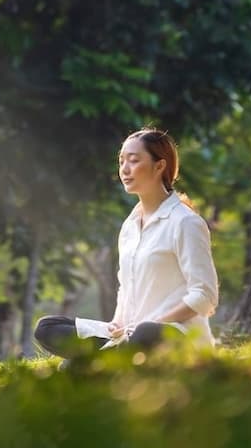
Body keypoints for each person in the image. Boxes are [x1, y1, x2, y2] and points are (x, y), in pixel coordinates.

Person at [33, 128, 219, 360]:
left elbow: (205, 296)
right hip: (129, 334)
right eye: (121, 161)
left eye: (133, 160)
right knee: (47, 327)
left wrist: (154, 322)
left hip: (171, 334)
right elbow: (125, 286)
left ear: (159, 166)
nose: (124, 170)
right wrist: (117, 323)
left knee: (145, 332)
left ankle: (93, 361)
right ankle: (109, 356)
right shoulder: (130, 225)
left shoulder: (185, 222)